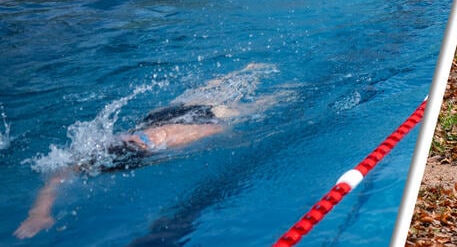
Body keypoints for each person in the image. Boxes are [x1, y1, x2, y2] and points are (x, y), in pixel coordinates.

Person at [14, 64, 279, 239]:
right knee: (220, 90)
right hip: (158, 116)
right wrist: (39, 212)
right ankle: (251, 71)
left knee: (257, 106)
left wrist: (238, 137)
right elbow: (58, 176)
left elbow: (211, 129)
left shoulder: (155, 146)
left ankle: (273, 92)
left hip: (184, 124)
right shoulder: (108, 145)